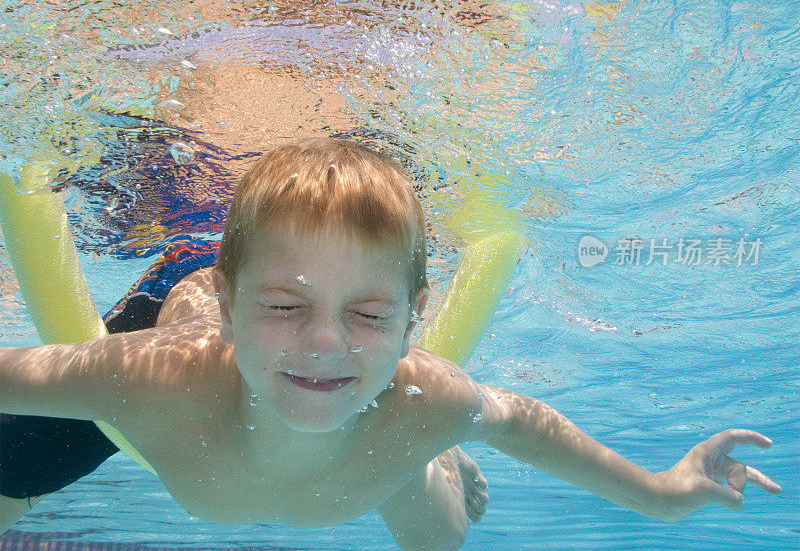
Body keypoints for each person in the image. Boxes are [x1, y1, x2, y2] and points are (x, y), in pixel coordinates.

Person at [0, 138, 781, 550]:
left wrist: (661, 492)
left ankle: (430, 449)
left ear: (415, 322)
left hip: (380, 417)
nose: (325, 344)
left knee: (441, 536)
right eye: (283, 305)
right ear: (235, 306)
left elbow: (515, 417)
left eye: (371, 317)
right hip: (188, 279)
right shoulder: (146, 381)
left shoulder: (421, 392)